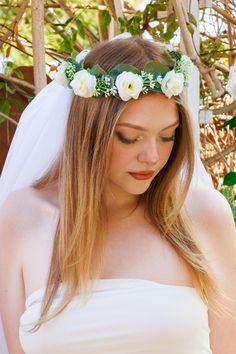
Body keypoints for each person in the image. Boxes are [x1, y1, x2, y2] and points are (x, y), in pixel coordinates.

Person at [0, 35, 235, 354]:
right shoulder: (22, 216)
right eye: (129, 138)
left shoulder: (203, 214)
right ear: (88, 132)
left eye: (167, 136)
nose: (152, 156)